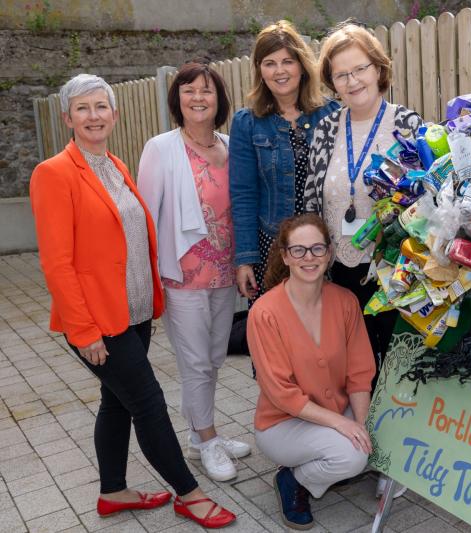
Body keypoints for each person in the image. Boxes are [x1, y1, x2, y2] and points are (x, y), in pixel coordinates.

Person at [29, 73, 235, 528]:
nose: (93, 116)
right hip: (98, 322)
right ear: (68, 117)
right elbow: (57, 264)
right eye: (82, 108)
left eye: (101, 106)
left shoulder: (116, 166)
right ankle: (190, 494)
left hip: (135, 314)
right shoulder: (53, 174)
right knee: (148, 403)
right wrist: (83, 332)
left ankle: (114, 491)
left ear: (115, 114)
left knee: (115, 402)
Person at [137, 59, 251, 483]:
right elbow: (147, 218)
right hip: (182, 277)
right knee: (195, 362)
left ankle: (197, 432)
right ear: (177, 99)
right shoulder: (161, 148)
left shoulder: (229, 146)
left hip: (226, 273)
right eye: (189, 90)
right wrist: (149, 278)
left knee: (215, 357)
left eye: (206, 90)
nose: (198, 97)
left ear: (218, 98)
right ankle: (207, 438)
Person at [303, 22, 423, 375]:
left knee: (391, 365)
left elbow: (423, 201)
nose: (352, 81)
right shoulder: (326, 129)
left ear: (378, 68)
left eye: (360, 69)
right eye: (341, 75)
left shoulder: (407, 123)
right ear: (332, 82)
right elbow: (312, 198)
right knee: (348, 367)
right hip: (337, 270)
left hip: (392, 270)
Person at [247, 213, 376, 530]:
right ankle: (294, 480)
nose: (309, 258)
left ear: (329, 253)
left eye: (317, 249)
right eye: (299, 250)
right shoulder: (265, 313)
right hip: (283, 423)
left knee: (369, 440)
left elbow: (359, 372)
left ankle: (328, 459)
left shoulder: (345, 302)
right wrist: (342, 427)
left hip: (337, 409)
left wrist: (361, 425)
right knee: (353, 456)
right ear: (285, 255)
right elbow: (281, 393)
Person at [230, 20, 339, 304]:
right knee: (277, 331)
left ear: (302, 66)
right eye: (269, 63)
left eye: (287, 61)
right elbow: (243, 196)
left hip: (325, 246)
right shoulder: (247, 123)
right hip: (273, 247)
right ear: (259, 70)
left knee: (324, 328)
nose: (279, 71)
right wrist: (245, 260)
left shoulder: (332, 114)